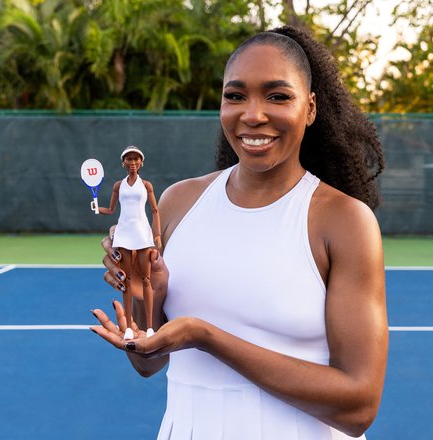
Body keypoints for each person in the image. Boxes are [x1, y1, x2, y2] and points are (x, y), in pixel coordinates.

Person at [91, 26, 388, 439]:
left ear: (311, 108)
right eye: (235, 95)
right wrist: (143, 291)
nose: (252, 114)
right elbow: (148, 361)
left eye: (277, 96)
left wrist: (207, 336)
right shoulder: (180, 202)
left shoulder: (343, 221)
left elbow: (358, 407)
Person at [95, 145, 161, 340]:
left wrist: (156, 234)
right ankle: (130, 327)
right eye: (129, 159)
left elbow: (155, 210)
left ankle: (150, 327)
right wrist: (99, 209)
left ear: (141, 163)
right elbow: (112, 209)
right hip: (124, 233)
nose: (132, 163)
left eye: (136, 159)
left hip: (142, 234)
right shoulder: (118, 186)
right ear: (123, 163)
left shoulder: (147, 185)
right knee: (127, 279)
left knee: (146, 279)